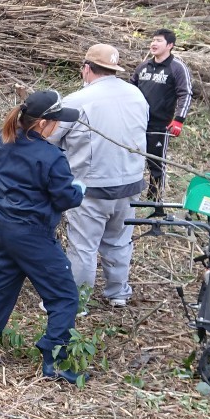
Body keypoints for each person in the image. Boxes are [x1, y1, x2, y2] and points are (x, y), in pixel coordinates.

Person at [0, 90, 88, 383]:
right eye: (57, 122)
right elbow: (63, 199)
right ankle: (57, 361)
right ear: (43, 123)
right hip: (33, 234)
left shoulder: (6, 141)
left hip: (5, 228)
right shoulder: (50, 157)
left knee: (2, 289)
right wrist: (78, 191)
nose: (59, 126)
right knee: (64, 296)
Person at [49, 44, 149, 308]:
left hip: (91, 186)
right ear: (114, 69)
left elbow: (50, 138)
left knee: (83, 246)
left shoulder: (77, 100)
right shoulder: (137, 95)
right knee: (119, 240)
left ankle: (77, 302)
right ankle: (118, 294)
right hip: (130, 182)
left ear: (86, 68)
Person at [130, 29, 193, 214]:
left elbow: (186, 92)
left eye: (159, 41)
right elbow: (129, 90)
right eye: (153, 40)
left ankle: (156, 204)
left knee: (156, 164)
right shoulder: (143, 67)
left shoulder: (177, 67)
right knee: (132, 160)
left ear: (170, 45)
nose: (154, 44)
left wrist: (179, 120)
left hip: (160, 125)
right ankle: (133, 199)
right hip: (137, 124)